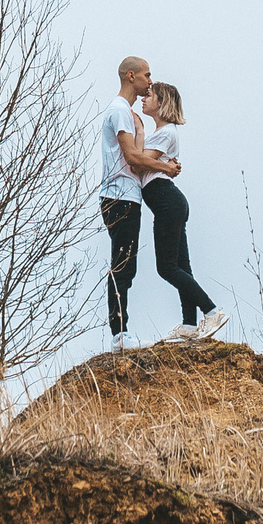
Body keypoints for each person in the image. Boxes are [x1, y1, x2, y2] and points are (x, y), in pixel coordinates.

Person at [98, 57, 180, 349]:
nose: (150, 81)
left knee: (125, 264)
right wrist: (166, 168)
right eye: (147, 75)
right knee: (122, 265)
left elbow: (133, 153)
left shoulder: (126, 113)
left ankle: (121, 333)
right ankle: (120, 335)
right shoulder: (120, 111)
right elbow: (132, 159)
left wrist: (142, 134)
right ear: (131, 76)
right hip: (120, 196)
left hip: (124, 196)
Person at [138, 81, 227, 342]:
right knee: (181, 266)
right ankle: (189, 325)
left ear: (162, 102)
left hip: (167, 201)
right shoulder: (162, 133)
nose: (144, 99)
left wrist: (136, 132)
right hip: (169, 202)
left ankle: (211, 311)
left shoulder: (166, 133)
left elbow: (139, 162)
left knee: (166, 267)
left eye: (149, 95)